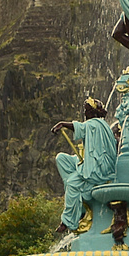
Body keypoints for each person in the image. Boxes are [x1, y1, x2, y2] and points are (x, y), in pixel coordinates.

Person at [52, 97, 115, 232]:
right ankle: (77, 199)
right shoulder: (98, 124)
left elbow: (80, 127)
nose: (85, 114)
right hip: (90, 161)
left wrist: (63, 124)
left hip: (100, 168)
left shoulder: (97, 123)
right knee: (62, 159)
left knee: (72, 183)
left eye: (86, 110)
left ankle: (69, 220)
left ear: (93, 112)